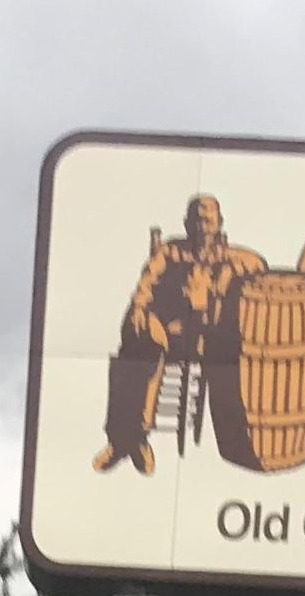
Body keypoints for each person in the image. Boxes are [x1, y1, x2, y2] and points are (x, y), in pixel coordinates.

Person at [96, 192, 267, 470]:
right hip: (167, 332)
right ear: (187, 223)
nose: (203, 227)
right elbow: (147, 282)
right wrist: (139, 308)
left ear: (219, 224)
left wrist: (229, 273)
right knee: (135, 352)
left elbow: (258, 264)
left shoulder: (229, 256)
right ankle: (127, 440)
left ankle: (134, 439)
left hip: (206, 339)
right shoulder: (171, 252)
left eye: (209, 221)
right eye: (197, 220)